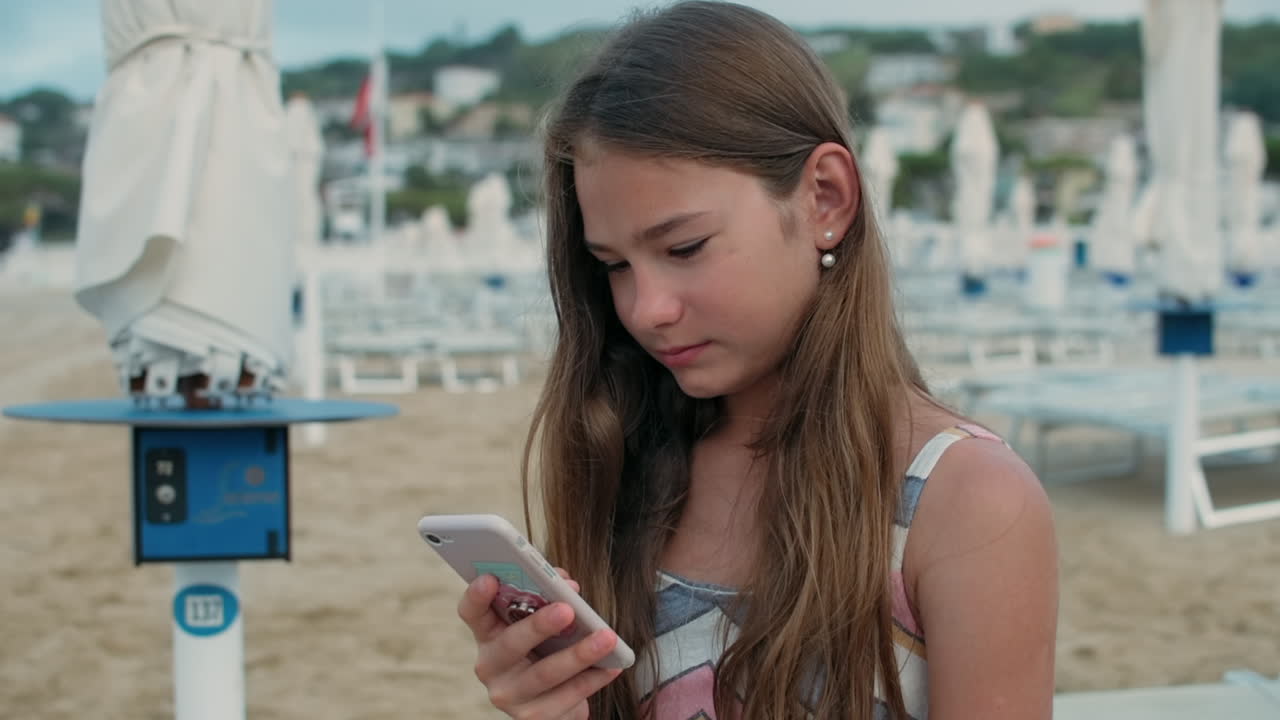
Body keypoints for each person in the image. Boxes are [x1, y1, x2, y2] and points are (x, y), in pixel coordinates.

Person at [454, 3, 1058, 718]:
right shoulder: (625, 454)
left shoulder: (967, 504)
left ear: (825, 198)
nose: (647, 308)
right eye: (613, 265)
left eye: (684, 249)